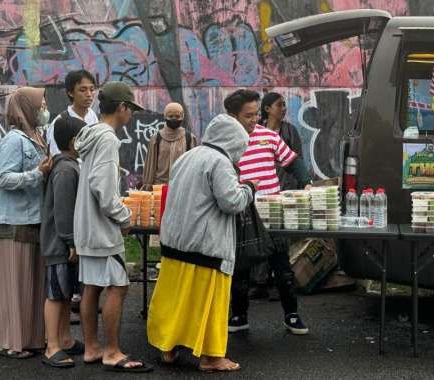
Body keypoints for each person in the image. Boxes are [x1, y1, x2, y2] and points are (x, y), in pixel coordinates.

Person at [147, 113, 254, 373]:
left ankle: (168, 347)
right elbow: (231, 202)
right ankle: (211, 357)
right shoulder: (220, 162)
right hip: (205, 247)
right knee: (209, 303)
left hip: (176, 243)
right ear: (233, 142)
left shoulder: (188, 156)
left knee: (175, 300)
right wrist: (250, 189)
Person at [73, 81, 152, 373]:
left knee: (91, 286)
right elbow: (104, 191)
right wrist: (124, 217)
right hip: (102, 228)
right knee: (118, 286)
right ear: (122, 108)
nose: (131, 115)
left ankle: (92, 348)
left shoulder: (89, 135)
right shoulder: (107, 139)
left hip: (86, 226)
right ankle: (112, 351)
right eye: (130, 109)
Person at [224, 89, 311, 335]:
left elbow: (292, 161)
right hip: (242, 211)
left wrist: (306, 182)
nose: (253, 120)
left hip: (273, 210)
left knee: (282, 267)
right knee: (240, 268)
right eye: (247, 115)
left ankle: (292, 315)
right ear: (233, 116)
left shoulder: (268, 136)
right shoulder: (226, 143)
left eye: (255, 114)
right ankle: (239, 315)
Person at [0, 87, 52, 359]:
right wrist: (37, 174)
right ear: (26, 107)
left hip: (34, 220)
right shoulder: (13, 141)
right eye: (41, 104)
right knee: (15, 285)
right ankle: (11, 343)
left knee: (32, 284)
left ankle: (31, 338)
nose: (44, 109)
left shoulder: (37, 138)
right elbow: (3, 179)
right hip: (14, 224)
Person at [250, 92, 309, 300]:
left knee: (280, 239)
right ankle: (259, 282)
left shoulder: (289, 131)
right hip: (259, 195)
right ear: (267, 108)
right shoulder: (255, 131)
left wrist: (303, 184)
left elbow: (296, 160)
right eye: (279, 105)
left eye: (284, 105)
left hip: (285, 191)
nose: (284, 108)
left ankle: (279, 284)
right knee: (260, 236)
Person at [40, 116, 86, 368]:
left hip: (66, 244)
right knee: (56, 295)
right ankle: (52, 346)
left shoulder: (68, 164)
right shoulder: (66, 169)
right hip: (60, 245)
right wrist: (70, 242)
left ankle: (66, 339)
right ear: (73, 141)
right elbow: (64, 210)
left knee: (66, 292)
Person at [142, 102, 198, 188]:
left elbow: (194, 166)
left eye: (177, 116)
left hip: (181, 187)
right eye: (171, 116)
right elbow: (150, 165)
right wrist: (148, 186)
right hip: (159, 188)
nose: (174, 119)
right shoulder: (156, 138)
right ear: (165, 117)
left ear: (182, 117)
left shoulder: (189, 138)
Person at [46, 70, 99, 157]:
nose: (89, 94)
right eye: (83, 90)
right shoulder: (60, 122)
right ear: (70, 93)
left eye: (92, 89)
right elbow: (55, 155)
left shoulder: (92, 115)